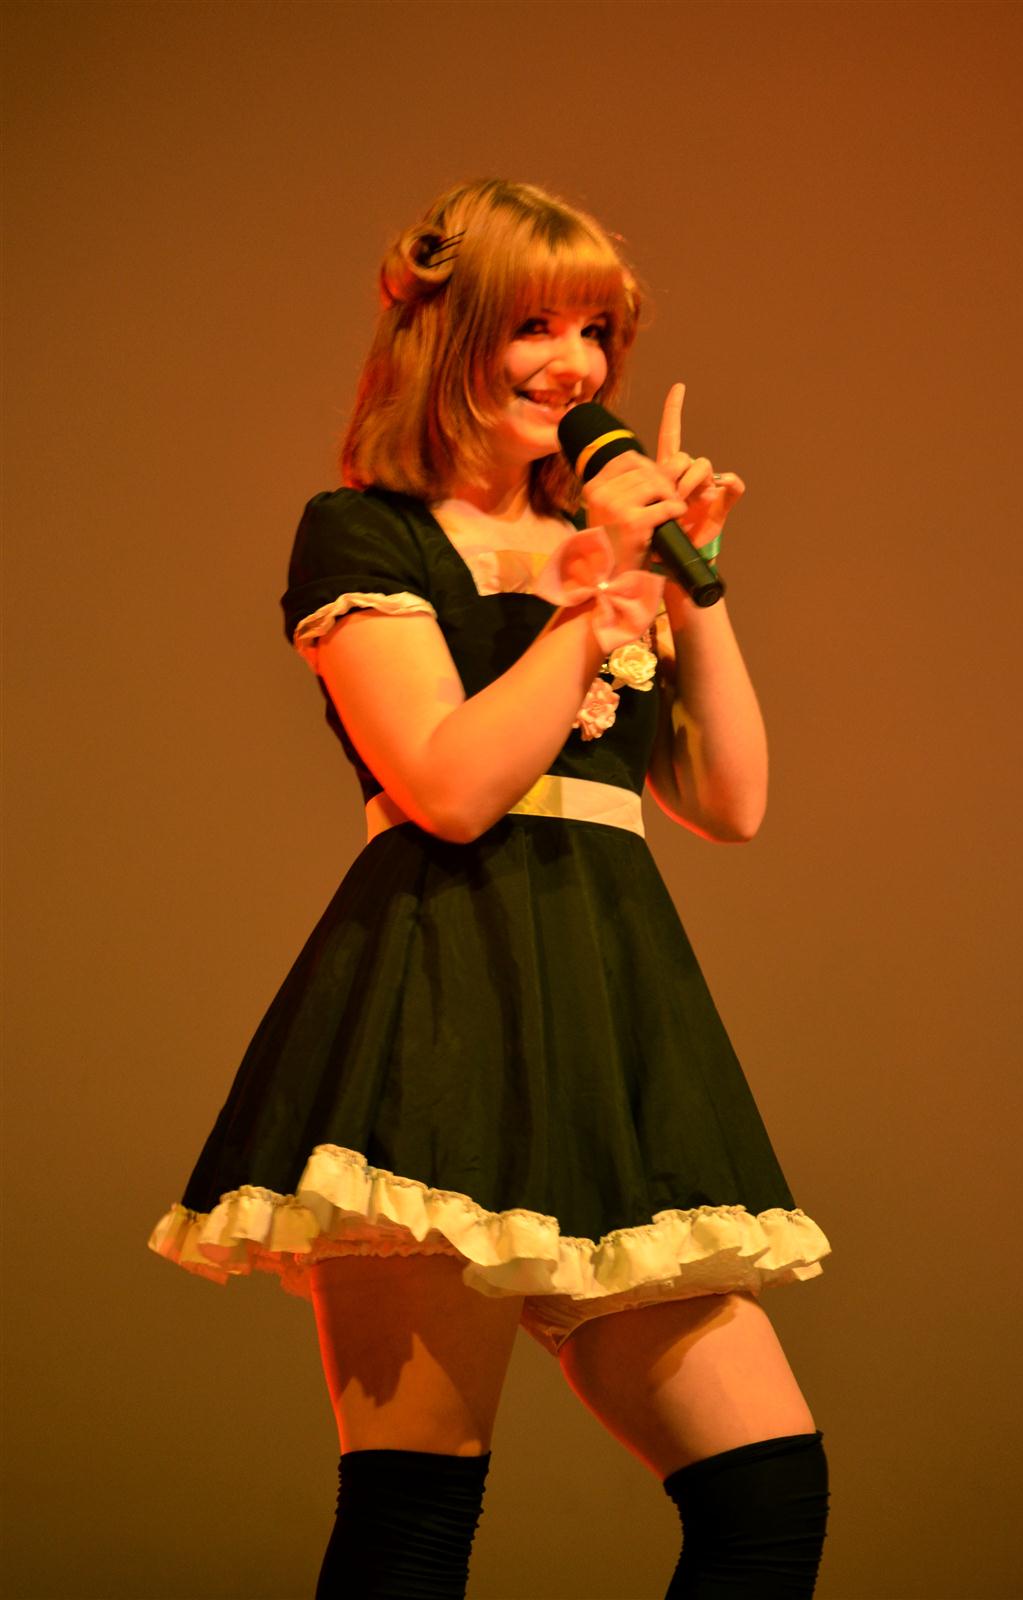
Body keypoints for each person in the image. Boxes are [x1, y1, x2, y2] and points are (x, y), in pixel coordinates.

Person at [149, 177, 833, 1599]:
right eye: (535, 325)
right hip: (440, 1008)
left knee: (768, 1495)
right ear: (445, 332)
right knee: (415, 1521)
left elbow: (731, 802)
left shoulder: (616, 558)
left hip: (610, 1018)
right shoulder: (364, 535)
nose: (573, 366)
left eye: (596, 333)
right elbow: (449, 789)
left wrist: (690, 585)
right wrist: (595, 600)